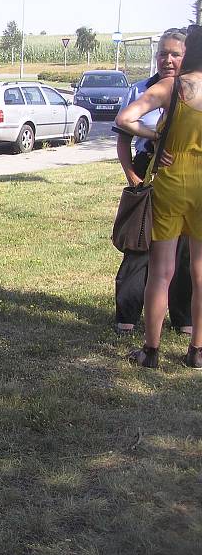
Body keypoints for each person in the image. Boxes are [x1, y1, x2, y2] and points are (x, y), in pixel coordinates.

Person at [115, 25, 202, 369]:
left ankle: (150, 351)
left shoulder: (172, 87)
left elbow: (125, 119)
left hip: (171, 179)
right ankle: (196, 350)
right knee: (199, 270)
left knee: (161, 272)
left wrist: (157, 135)